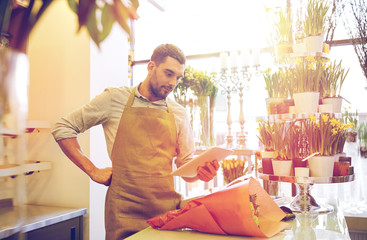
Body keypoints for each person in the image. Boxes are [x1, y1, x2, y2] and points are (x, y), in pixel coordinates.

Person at [52, 43, 220, 239]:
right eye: (168, 73)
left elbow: (185, 166)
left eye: (178, 77)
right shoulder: (114, 99)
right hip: (123, 213)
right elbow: (63, 128)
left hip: (166, 215)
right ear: (151, 67)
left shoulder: (179, 113)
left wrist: (200, 173)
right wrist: (92, 170)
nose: (173, 82)